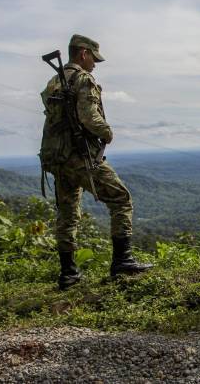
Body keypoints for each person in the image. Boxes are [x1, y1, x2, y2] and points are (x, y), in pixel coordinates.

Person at [40, 34, 152, 290]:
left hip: (57, 158)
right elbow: (89, 117)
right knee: (121, 199)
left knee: (67, 213)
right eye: (94, 59)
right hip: (81, 157)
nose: (95, 65)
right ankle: (122, 261)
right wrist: (107, 132)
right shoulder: (83, 79)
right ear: (83, 53)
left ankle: (68, 274)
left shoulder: (54, 81)